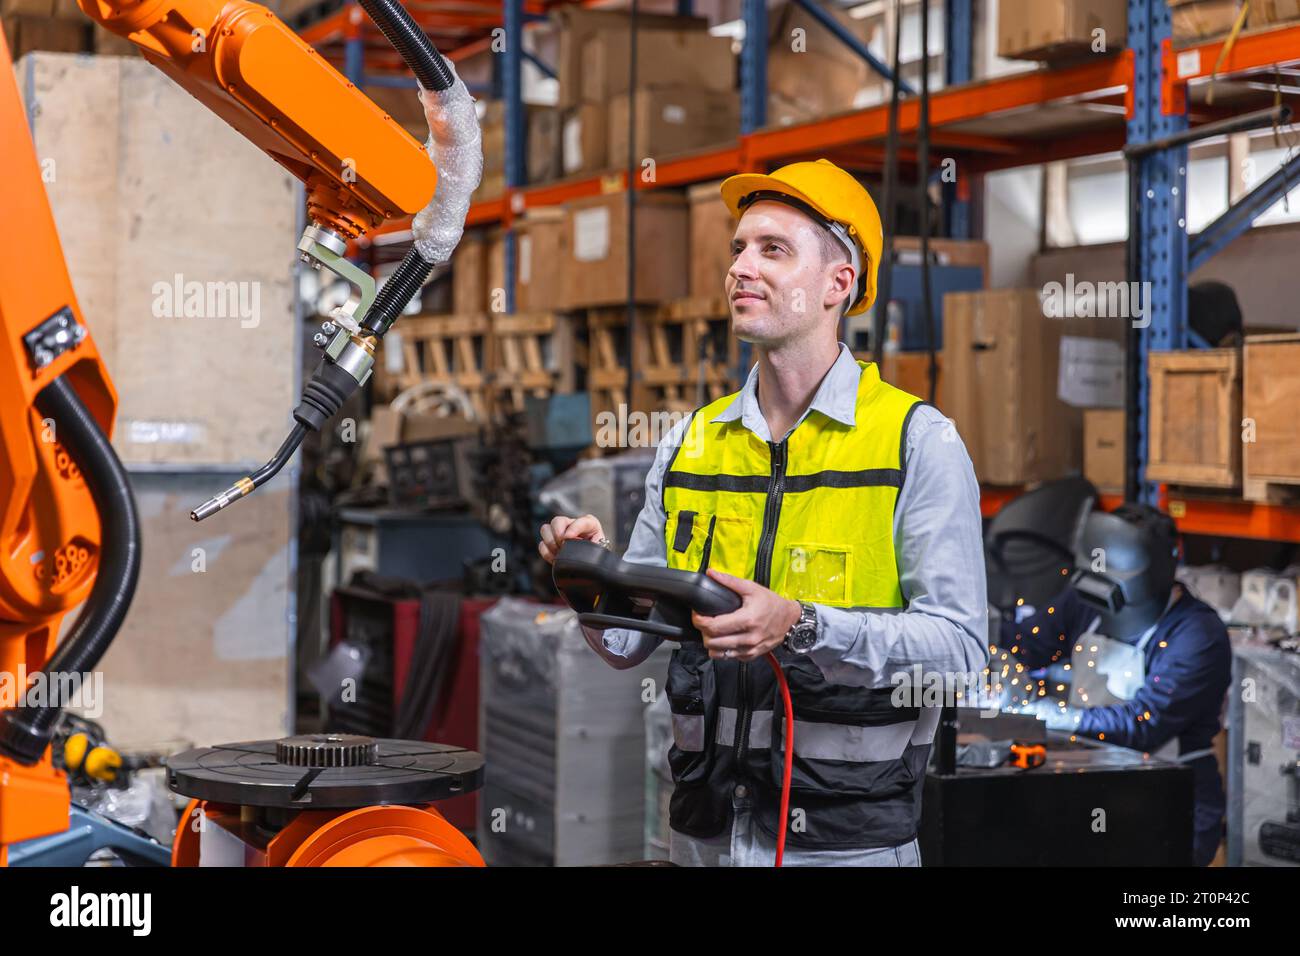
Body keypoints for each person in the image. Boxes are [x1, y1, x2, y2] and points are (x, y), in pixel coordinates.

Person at [538, 159, 988, 866]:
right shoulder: (692, 443)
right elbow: (631, 646)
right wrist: (590, 584)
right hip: (702, 831)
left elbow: (960, 657)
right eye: (738, 249)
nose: (743, 267)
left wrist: (804, 626)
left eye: (773, 250)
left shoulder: (915, 443)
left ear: (839, 283)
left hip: (844, 842)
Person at [1001, 503, 1232, 866]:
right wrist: (991, 656)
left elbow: (1142, 725)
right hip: (1093, 788)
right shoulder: (1087, 601)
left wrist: (1048, 715)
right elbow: (1026, 646)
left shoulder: (1197, 633)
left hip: (1169, 802)